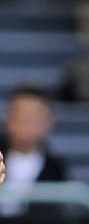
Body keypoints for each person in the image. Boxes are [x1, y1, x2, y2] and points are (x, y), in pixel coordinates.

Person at [0, 86, 68, 215]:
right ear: (8, 118)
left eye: (34, 117)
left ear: (47, 122)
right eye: (20, 116)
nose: (26, 124)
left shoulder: (55, 168)